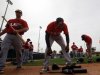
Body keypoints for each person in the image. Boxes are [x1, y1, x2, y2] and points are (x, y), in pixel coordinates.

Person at [0, 9, 29, 73]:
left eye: (19, 12)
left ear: (21, 14)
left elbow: (26, 28)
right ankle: (1, 66)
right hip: (9, 35)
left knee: (18, 51)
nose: (17, 13)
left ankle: (19, 64)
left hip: (18, 36)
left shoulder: (23, 21)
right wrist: (0, 34)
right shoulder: (10, 20)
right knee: (3, 49)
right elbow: (6, 29)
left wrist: (18, 31)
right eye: (16, 12)